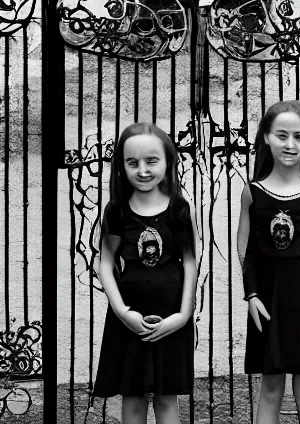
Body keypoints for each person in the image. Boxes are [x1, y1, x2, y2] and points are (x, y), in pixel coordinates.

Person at [237, 100, 300, 424]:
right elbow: (248, 251)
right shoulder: (252, 192)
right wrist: (252, 296)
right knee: (269, 387)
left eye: (299, 136)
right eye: (282, 135)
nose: (290, 144)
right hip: (268, 304)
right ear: (266, 136)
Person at [93, 122, 197, 424]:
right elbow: (105, 262)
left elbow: (190, 262)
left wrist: (182, 315)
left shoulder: (180, 209)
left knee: (166, 400)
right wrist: (123, 312)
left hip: (171, 319)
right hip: (129, 319)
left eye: (151, 161)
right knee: (133, 399)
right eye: (132, 162)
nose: (142, 170)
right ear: (121, 166)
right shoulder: (116, 211)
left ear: (167, 161)